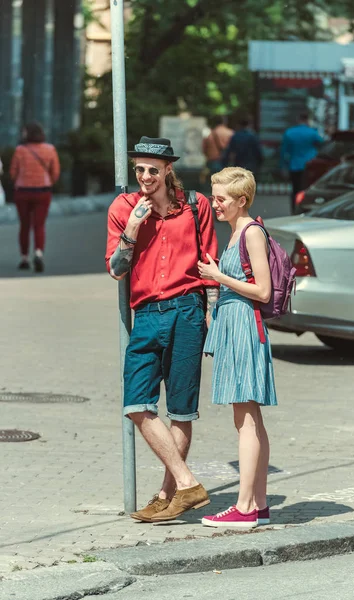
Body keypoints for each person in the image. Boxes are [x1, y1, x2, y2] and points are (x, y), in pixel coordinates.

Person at [105, 136, 219, 523]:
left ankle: (169, 494)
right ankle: (189, 482)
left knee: (182, 409)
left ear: (168, 169)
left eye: (153, 170)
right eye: (139, 169)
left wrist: (214, 315)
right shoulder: (123, 208)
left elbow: (209, 263)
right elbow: (116, 269)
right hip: (147, 314)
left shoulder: (196, 205)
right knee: (136, 403)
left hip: (188, 310)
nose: (145, 176)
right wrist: (134, 226)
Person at [198, 167, 277, 528]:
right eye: (214, 196)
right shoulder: (236, 234)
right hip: (236, 327)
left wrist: (218, 277)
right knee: (251, 420)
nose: (215, 204)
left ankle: (244, 507)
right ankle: (258, 504)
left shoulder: (250, 233)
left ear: (241, 200)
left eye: (221, 199)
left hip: (245, 328)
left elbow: (263, 291)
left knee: (245, 420)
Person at [9, 122, 60, 272]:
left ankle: (24, 258)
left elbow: (13, 172)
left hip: (23, 191)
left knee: (24, 225)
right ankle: (38, 253)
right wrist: (48, 181)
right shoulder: (50, 149)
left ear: (28, 133)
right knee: (39, 225)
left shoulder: (20, 150)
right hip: (43, 191)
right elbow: (55, 172)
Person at [280, 113, 324, 214]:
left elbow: (284, 151)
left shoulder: (289, 132)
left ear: (298, 119)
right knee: (307, 189)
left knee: (295, 189)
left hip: (294, 166)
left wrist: (283, 166)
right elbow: (322, 143)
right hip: (309, 166)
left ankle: (294, 210)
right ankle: (306, 210)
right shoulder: (312, 132)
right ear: (307, 120)